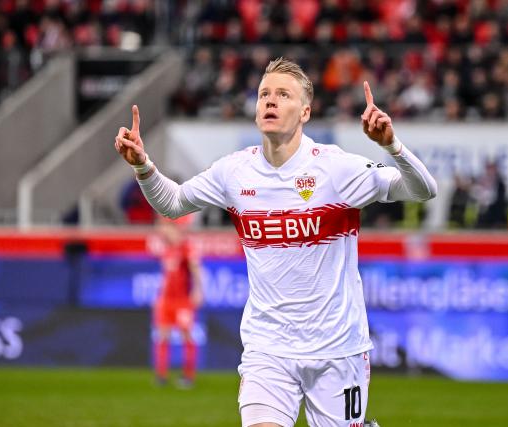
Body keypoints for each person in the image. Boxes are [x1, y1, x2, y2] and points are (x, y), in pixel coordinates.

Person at [115, 58, 437, 427]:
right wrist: (143, 167)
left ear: (304, 112)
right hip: (268, 349)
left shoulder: (336, 169)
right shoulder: (234, 172)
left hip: (339, 350)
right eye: (264, 93)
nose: (270, 101)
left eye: (283, 94)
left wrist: (393, 146)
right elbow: (172, 203)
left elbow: (422, 190)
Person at [151, 214, 203, 388]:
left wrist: (198, 290)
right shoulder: (167, 248)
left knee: (186, 335)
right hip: (166, 300)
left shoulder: (186, 247)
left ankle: (188, 376)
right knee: (162, 334)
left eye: (165, 227)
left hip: (182, 301)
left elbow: (195, 269)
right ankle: (161, 376)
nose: (162, 231)